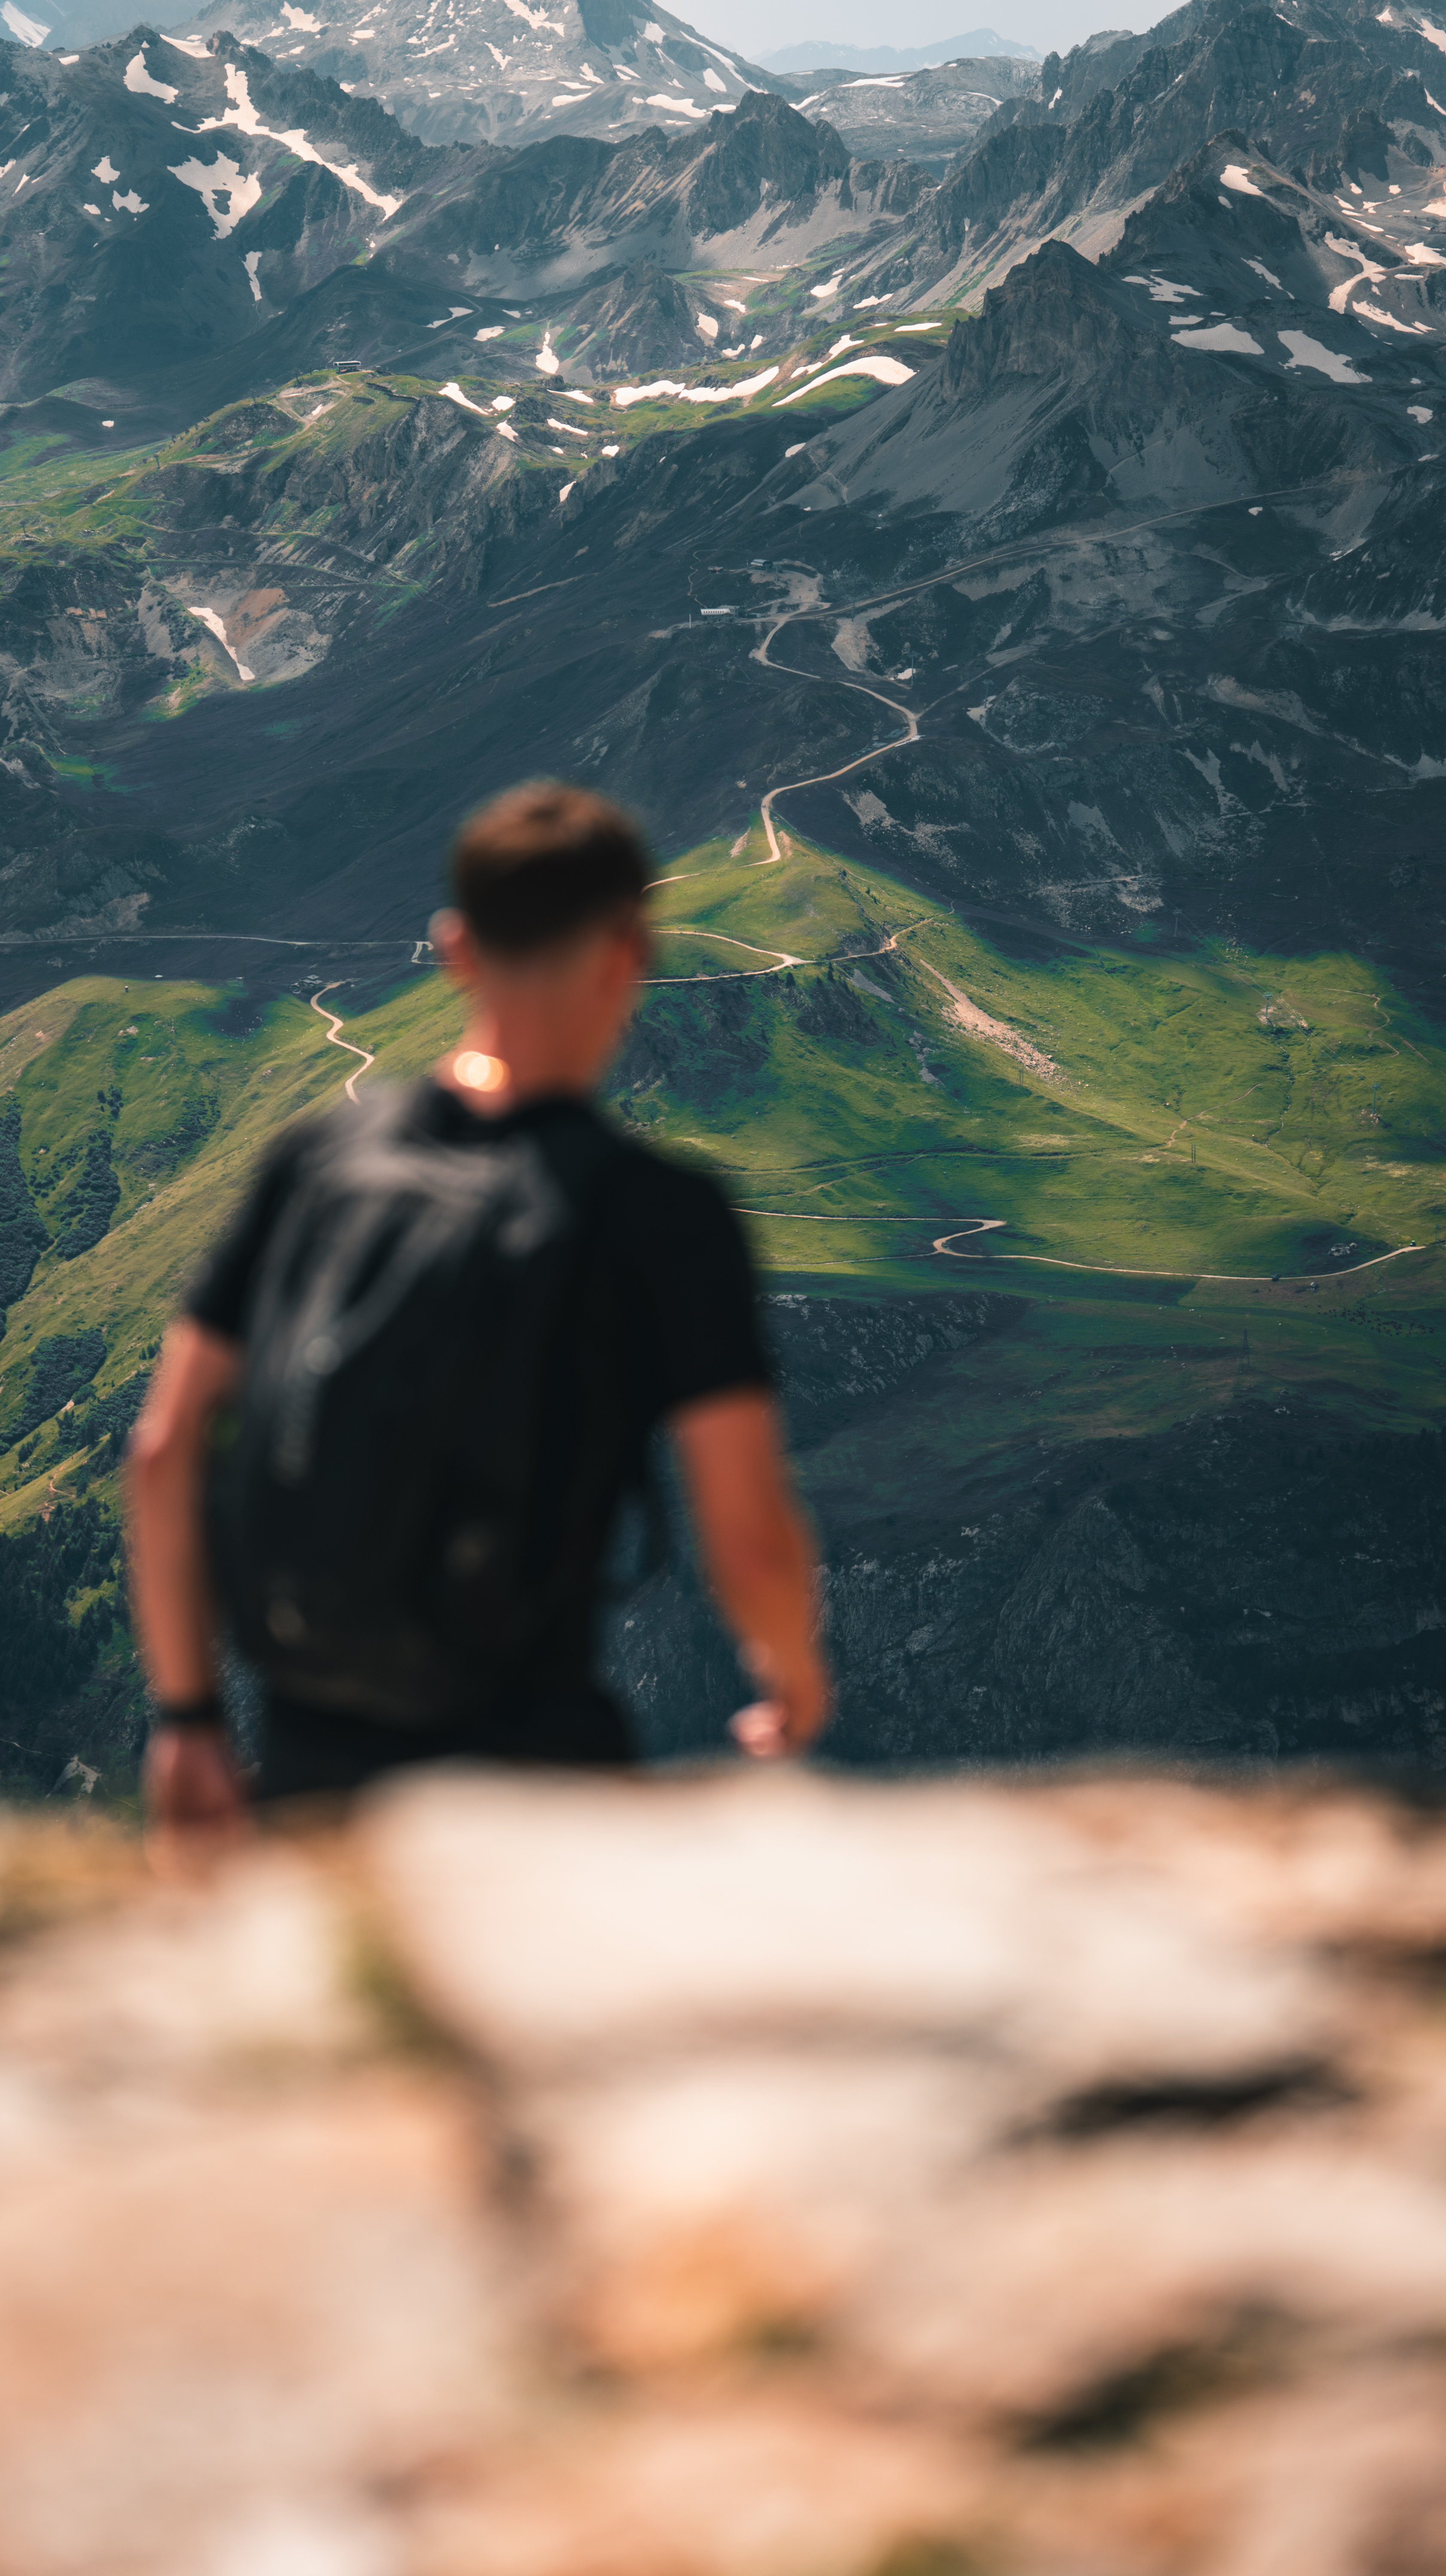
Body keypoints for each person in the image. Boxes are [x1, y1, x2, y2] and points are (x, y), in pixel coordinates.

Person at [128, 783, 829, 1832]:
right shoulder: (660, 1216)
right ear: (630, 952)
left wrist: (187, 1720)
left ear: (455, 948)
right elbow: (749, 1539)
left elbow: (164, 1451)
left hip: (306, 1745)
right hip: (528, 1755)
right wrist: (794, 1680)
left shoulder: (319, 1161)